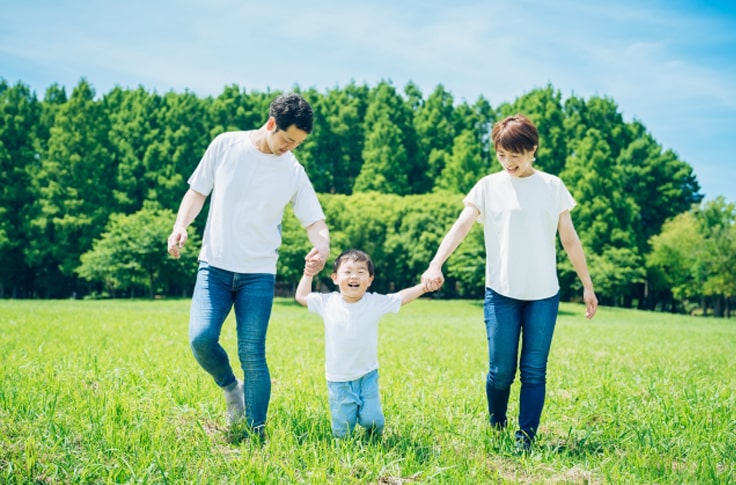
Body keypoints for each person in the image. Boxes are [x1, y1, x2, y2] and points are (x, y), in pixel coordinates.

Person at [421, 113, 598, 451]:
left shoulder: (552, 186)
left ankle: (525, 438)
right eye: (501, 154)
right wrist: (435, 263)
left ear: (532, 149)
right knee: (501, 370)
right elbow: (461, 226)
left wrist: (587, 284)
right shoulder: (488, 186)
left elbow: (570, 239)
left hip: (544, 294)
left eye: (514, 155)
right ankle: (497, 423)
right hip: (501, 292)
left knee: (534, 371)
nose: (507, 162)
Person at [167, 93, 330, 438]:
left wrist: (322, 247)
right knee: (201, 338)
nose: (290, 148)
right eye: (287, 139)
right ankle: (230, 388)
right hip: (215, 266)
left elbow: (315, 222)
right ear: (271, 124)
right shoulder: (226, 145)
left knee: (253, 353)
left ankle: (257, 434)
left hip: (258, 274)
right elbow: (197, 192)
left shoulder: (292, 171)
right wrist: (180, 226)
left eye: (297, 143)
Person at [296, 249, 436, 439]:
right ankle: (343, 454)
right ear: (335, 278)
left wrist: (424, 287)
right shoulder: (327, 302)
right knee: (342, 428)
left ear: (369, 280)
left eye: (361, 272)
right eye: (348, 272)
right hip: (339, 380)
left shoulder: (374, 302)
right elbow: (302, 297)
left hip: (367, 375)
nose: (354, 276)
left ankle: (374, 440)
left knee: (373, 420)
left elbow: (400, 297)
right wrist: (308, 273)